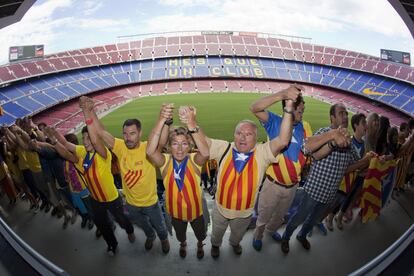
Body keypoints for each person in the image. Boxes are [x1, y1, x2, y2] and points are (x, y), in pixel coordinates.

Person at [206, 85, 301, 258]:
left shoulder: (262, 152)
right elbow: (204, 144)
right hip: (220, 208)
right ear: (233, 135)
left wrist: (288, 107)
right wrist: (191, 124)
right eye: (239, 133)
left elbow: (282, 141)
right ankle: (215, 245)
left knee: (237, 234)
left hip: (245, 212)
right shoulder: (225, 148)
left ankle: (234, 244)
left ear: (256, 138)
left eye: (248, 134)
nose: (242, 137)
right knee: (217, 232)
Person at [78, 96, 170, 253]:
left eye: (132, 133)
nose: (128, 138)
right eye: (125, 134)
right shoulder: (119, 146)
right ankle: (150, 236)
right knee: (143, 224)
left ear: (140, 133)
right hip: (131, 204)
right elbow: (100, 132)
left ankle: (163, 239)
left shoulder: (148, 148)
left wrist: (166, 122)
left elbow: (161, 141)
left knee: (159, 224)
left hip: (151, 203)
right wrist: (91, 110)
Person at [280, 103, 374, 254]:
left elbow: (350, 167)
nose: (345, 116)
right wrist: (332, 140)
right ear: (332, 118)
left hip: (330, 194)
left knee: (313, 220)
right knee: (299, 217)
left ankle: (302, 235)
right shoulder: (324, 132)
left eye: (346, 113)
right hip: (313, 191)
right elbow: (309, 148)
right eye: (341, 113)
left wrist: (368, 160)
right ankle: (286, 237)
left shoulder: (348, 142)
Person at [49, 100, 135, 256]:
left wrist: (86, 112)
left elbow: (96, 140)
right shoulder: (82, 152)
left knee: (122, 220)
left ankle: (129, 230)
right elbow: (66, 149)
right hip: (95, 199)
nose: (87, 141)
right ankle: (112, 245)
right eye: (84, 138)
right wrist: (54, 136)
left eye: (89, 138)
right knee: (102, 225)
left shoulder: (104, 154)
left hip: (111, 198)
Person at [249, 85, 312, 251]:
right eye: (299, 110)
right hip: (273, 184)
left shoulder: (305, 126)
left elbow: (307, 151)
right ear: (289, 107)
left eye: (303, 111)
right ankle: (258, 235)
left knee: (279, 216)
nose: (302, 114)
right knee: (263, 215)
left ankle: (271, 230)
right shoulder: (274, 121)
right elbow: (254, 108)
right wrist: (282, 94)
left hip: (292, 185)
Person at [147, 104, 209, 259]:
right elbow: (149, 151)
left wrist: (191, 123)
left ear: (190, 146)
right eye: (175, 143)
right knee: (180, 236)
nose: (180, 149)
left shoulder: (194, 160)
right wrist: (162, 120)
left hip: (197, 213)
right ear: (169, 146)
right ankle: (183, 244)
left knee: (201, 234)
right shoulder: (165, 162)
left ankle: (200, 244)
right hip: (175, 214)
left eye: (184, 143)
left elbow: (206, 152)